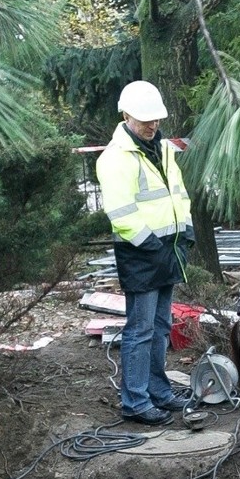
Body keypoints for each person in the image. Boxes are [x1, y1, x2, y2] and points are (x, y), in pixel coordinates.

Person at [96, 81, 192, 425]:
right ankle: (135, 401)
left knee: (162, 325)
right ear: (125, 116)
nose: (151, 125)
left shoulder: (163, 148)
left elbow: (178, 192)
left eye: (155, 119)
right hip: (141, 252)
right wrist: (152, 245)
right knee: (141, 329)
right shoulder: (116, 158)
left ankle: (159, 392)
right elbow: (121, 213)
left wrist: (187, 230)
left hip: (167, 247)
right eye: (144, 120)